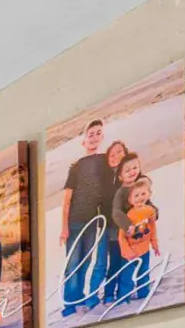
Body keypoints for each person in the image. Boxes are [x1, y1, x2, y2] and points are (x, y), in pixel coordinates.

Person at [60, 118, 114, 314]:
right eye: (91, 134)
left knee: (86, 261)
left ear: (102, 137)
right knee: (72, 263)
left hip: (93, 222)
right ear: (84, 140)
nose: (94, 137)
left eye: (98, 133)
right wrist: (64, 227)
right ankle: (69, 303)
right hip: (75, 221)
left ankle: (79, 297)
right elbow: (67, 199)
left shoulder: (105, 161)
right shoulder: (76, 166)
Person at [106, 150, 144, 302]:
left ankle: (126, 292)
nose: (132, 172)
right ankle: (110, 294)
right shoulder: (121, 192)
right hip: (117, 236)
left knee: (131, 264)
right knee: (116, 265)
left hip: (134, 236)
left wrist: (154, 212)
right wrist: (129, 226)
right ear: (120, 176)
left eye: (135, 168)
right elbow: (116, 212)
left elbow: (146, 204)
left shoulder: (138, 189)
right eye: (127, 170)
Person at [118, 174, 160, 302]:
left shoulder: (150, 211)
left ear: (149, 194)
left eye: (143, 194)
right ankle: (124, 297)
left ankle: (143, 293)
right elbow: (121, 236)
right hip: (130, 252)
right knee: (127, 275)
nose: (140, 197)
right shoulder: (129, 216)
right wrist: (127, 251)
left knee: (144, 272)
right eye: (136, 196)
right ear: (130, 200)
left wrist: (155, 245)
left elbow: (152, 229)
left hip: (144, 250)